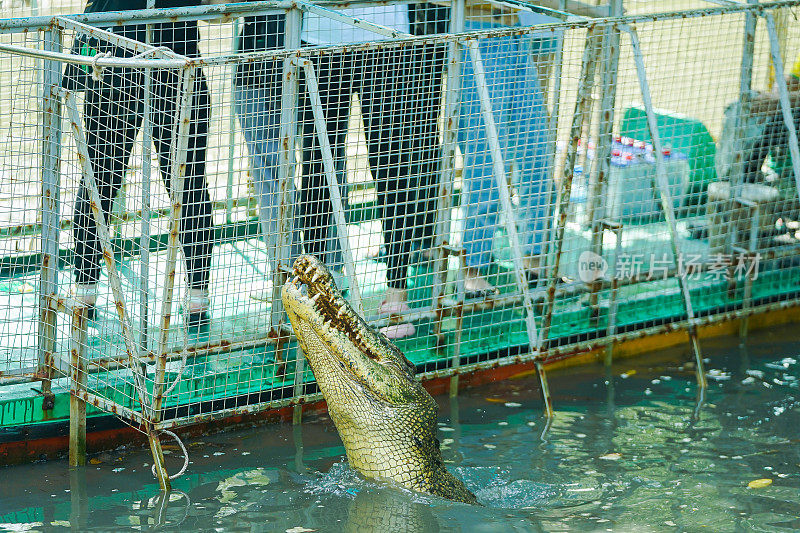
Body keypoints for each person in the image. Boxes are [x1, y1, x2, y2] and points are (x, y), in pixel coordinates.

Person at [69, 0, 214, 327]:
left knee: (186, 180)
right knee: (100, 179)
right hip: (121, 61)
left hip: (171, 58)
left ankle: (197, 295)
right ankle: (85, 289)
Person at [457, 5, 553, 297]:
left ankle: (534, 261)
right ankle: (472, 269)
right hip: (477, 38)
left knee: (538, 154)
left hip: (518, 37)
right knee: (485, 162)